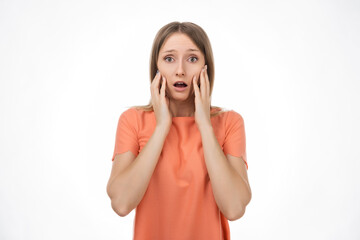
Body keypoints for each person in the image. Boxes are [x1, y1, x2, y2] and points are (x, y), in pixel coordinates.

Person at [106, 21, 252, 240]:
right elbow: (121, 203)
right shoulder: (133, 120)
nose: (180, 71)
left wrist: (204, 124)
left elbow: (234, 208)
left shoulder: (229, 122)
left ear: (206, 68)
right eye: (169, 59)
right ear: (156, 67)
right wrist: (162, 126)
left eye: (192, 59)